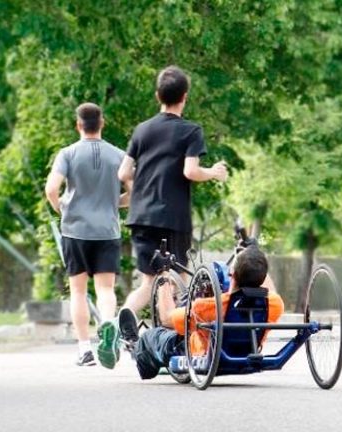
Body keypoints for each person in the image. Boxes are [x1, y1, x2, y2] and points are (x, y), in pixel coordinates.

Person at [117, 65, 228, 320]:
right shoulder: (191, 131)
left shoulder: (141, 130)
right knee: (173, 280)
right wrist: (213, 172)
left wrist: (144, 184)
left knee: (149, 282)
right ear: (185, 96)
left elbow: (123, 173)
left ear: (158, 95)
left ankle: (120, 318)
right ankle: (170, 337)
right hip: (173, 219)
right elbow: (190, 171)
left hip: (141, 216)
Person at [45, 102, 131, 366]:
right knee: (105, 288)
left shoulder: (67, 154)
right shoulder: (118, 155)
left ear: (78, 125)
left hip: (75, 231)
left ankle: (85, 350)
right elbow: (136, 190)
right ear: (102, 123)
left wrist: (64, 211)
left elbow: (51, 189)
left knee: (79, 292)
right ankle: (107, 323)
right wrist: (113, 203)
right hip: (107, 229)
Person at [115, 246, 282, 379]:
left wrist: (163, 274)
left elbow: (166, 318)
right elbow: (270, 290)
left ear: (232, 276)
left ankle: (134, 345)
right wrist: (254, 254)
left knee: (152, 336)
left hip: (200, 354)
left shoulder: (209, 307)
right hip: (247, 352)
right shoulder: (274, 305)